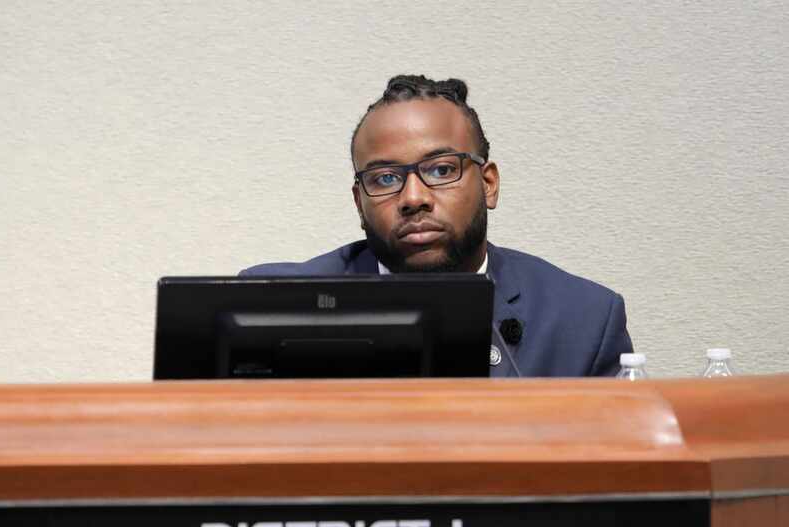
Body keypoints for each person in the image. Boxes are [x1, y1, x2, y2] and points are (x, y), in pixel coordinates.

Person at [241, 75, 633, 377]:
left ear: (489, 184)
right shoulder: (275, 304)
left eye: (442, 169)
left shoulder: (582, 318)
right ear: (360, 203)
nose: (413, 198)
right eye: (385, 178)